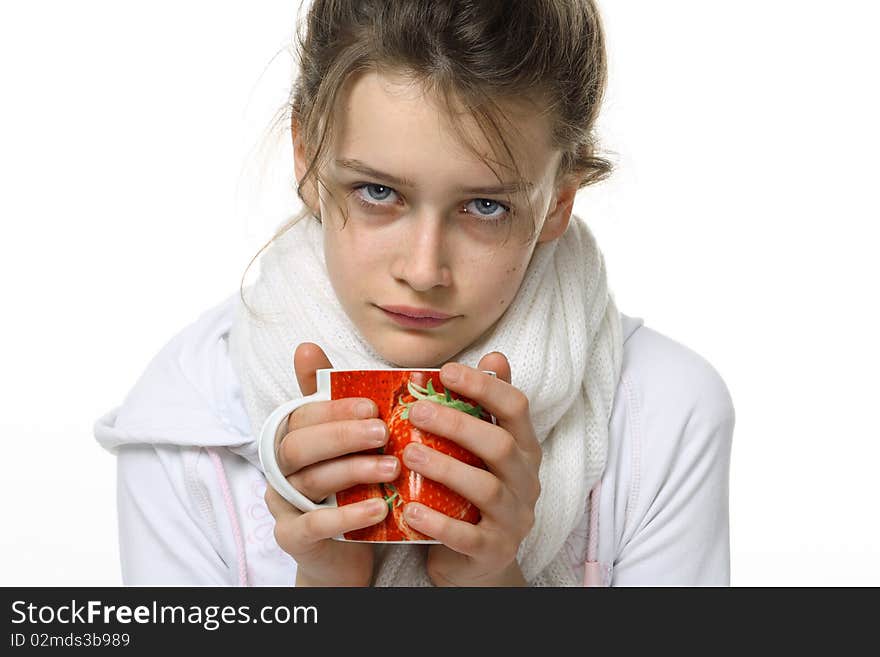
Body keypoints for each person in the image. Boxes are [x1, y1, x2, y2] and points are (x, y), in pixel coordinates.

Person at [94, 0, 735, 587]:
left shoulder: (665, 416)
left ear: (559, 201)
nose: (425, 270)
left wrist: (489, 587)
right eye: (378, 192)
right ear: (307, 155)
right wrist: (330, 590)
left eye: (485, 206)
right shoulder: (186, 423)